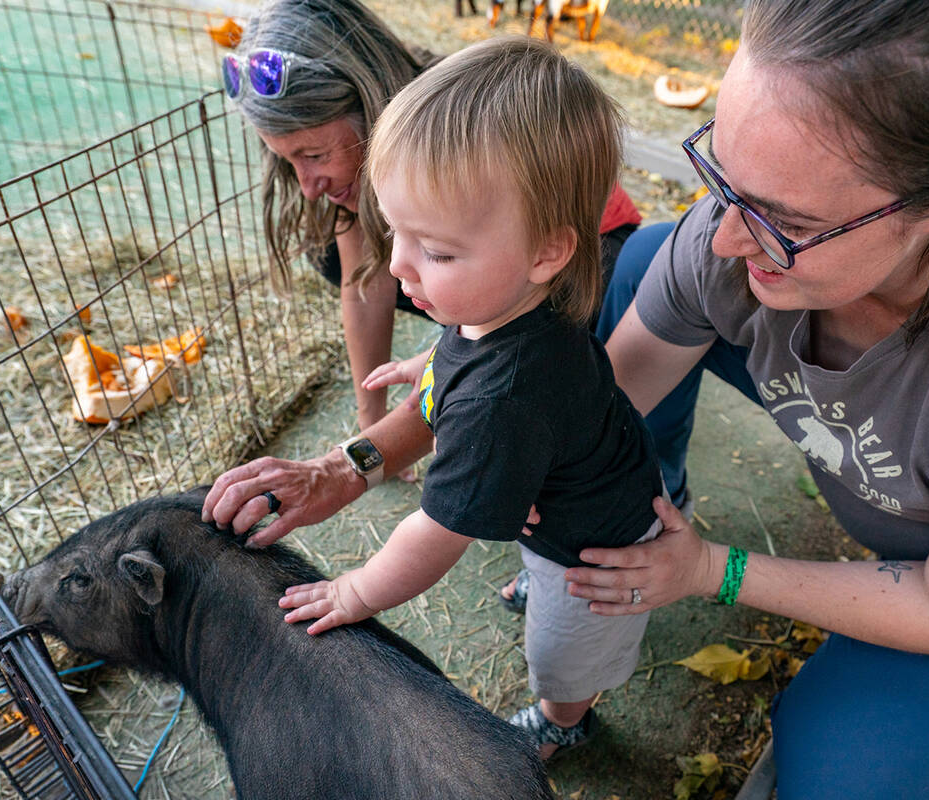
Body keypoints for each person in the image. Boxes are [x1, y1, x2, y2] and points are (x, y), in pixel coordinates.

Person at [556, 1, 929, 798]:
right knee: (649, 257)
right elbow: (618, 382)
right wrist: (505, 391)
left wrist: (712, 570)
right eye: (721, 172)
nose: (722, 236)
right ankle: (662, 487)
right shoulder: (748, 225)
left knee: (846, 774)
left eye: (784, 220)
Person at [269, 36, 666, 760]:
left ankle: (563, 719)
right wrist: (431, 365)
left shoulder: (499, 403)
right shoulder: (508, 305)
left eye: (437, 251)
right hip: (591, 483)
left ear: (548, 250)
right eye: (396, 234)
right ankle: (540, 582)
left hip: (595, 553)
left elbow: (435, 535)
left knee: (562, 652)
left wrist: (354, 593)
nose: (398, 266)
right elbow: (477, 358)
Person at [225, 0, 641, 476]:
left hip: (597, 252)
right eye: (287, 160)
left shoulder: (445, 138)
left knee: (515, 382)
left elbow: (485, 362)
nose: (306, 184)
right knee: (338, 254)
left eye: (315, 154)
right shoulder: (391, 146)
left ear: (366, 100)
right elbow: (365, 284)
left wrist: (379, 449)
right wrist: (369, 424)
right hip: (507, 255)